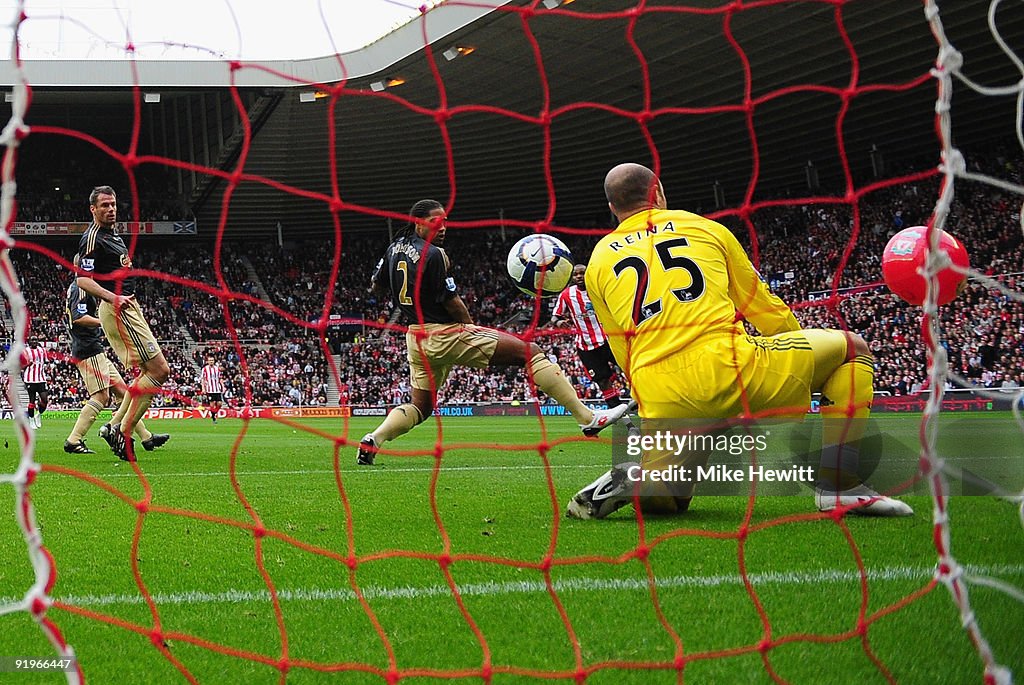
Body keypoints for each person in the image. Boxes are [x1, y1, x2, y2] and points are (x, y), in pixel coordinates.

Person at [566, 163, 912, 519]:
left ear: (612, 208)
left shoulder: (597, 262)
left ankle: (642, 479)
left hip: (661, 390)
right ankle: (839, 486)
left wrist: (649, 403)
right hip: (730, 366)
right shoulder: (705, 229)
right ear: (658, 193)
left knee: (670, 501)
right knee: (852, 349)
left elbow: (622, 348)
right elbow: (762, 307)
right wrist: (802, 363)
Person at [356, 199, 636, 465]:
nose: (442, 228)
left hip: (415, 337)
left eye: (444, 222)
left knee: (421, 407)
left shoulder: (394, 247)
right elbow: (451, 300)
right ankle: (586, 418)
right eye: (435, 222)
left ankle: (374, 438)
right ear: (418, 223)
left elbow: (375, 286)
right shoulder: (435, 254)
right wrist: (468, 326)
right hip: (444, 334)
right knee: (531, 352)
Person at [76, 186, 171, 461]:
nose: (111, 209)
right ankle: (121, 429)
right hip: (117, 308)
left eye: (113, 204)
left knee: (148, 372)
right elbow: (82, 279)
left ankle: (115, 426)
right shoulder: (93, 238)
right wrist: (112, 297)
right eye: (104, 205)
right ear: (93, 209)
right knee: (159, 370)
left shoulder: (112, 235)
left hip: (127, 306)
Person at [63, 274, 170, 456]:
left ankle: (146, 436)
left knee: (123, 391)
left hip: (94, 348)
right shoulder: (81, 287)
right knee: (101, 397)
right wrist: (104, 323)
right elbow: (78, 317)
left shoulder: (78, 288)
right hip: (88, 349)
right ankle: (74, 440)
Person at [551, 262, 639, 435]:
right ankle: (629, 427)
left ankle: (641, 399)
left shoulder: (597, 289)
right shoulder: (567, 295)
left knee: (631, 368)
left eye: (581, 273)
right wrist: (560, 321)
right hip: (586, 348)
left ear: (587, 274)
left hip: (609, 340)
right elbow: (555, 316)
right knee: (604, 383)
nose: (578, 277)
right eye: (575, 274)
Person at [21, 338, 48, 430]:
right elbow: (21, 366)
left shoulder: (42, 350)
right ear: (29, 342)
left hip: (41, 379)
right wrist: (28, 364)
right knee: (31, 400)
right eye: (32, 340)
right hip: (30, 379)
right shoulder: (25, 351)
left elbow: (46, 361)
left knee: (45, 399)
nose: (34, 342)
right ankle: (31, 420)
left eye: (35, 340)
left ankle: (38, 415)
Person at [200, 356, 224, 424]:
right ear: (207, 361)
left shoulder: (217, 368)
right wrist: (203, 388)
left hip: (217, 389)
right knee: (212, 404)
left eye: (212, 360)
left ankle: (214, 413)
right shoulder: (204, 369)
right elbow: (203, 379)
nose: (211, 361)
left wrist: (223, 386)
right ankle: (213, 418)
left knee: (219, 404)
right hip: (209, 389)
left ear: (214, 361)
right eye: (210, 360)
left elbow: (220, 378)